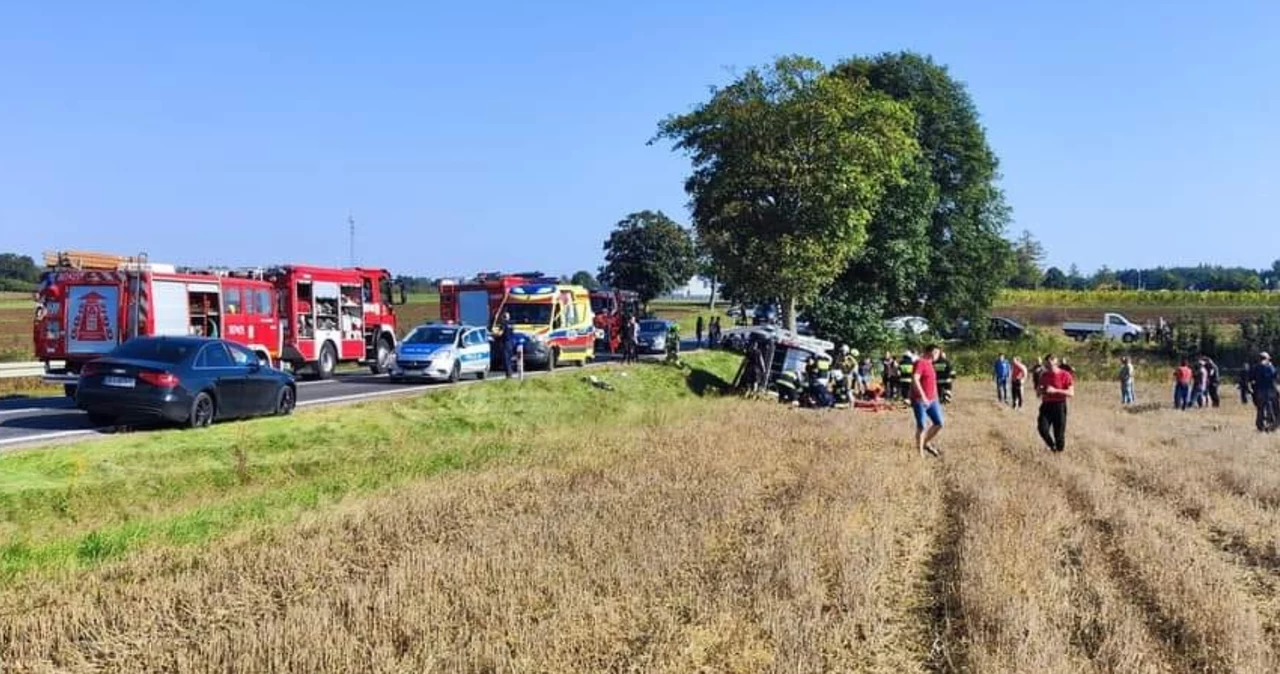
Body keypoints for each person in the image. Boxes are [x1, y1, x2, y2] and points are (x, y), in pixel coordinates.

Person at [1036, 354, 1075, 452]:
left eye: (1050, 364)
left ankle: (1059, 452)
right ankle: (1051, 446)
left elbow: (1071, 393)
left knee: (1059, 434)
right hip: (1046, 405)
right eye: (1046, 365)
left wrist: (1055, 390)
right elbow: (1039, 391)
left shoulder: (1065, 375)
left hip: (1059, 405)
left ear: (1055, 363)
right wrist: (1040, 391)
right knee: (1042, 429)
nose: (1048, 367)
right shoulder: (1044, 375)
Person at [910, 345, 944, 457]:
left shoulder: (931, 365)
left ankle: (925, 443)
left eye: (938, 353)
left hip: (932, 400)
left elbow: (932, 384)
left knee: (939, 423)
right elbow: (915, 379)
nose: (937, 355)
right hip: (920, 400)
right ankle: (920, 455)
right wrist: (923, 396)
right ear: (930, 352)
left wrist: (936, 398)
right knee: (922, 426)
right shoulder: (921, 362)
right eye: (936, 353)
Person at [1251, 352, 1277, 432]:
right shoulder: (1269, 367)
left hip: (1259, 391)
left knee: (1260, 408)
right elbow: (1274, 376)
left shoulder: (1255, 367)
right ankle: (1270, 424)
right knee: (1271, 408)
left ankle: (1260, 425)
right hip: (1270, 390)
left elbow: (1251, 379)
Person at [499, 311, 518, 378]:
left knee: (506, 359)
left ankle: (508, 375)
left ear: (503, 317)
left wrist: (493, 334)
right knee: (509, 359)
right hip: (511, 343)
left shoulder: (503, 324)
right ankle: (511, 373)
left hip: (505, 343)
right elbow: (513, 331)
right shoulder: (511, 323)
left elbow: (500, 333)